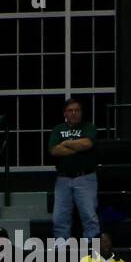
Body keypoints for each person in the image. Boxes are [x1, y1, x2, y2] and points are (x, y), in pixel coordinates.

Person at [49, 97, 100, 242]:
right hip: (63, 179)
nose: (74, 113)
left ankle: (91, 247)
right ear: (65, 113)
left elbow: (87, 144)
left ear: (81, 112)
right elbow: (54, 151)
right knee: (59, 217)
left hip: (86, 178)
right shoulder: (58, 129)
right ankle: (61, 247)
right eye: (70, 110)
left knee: (89, 215)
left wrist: (66, 143)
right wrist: (77, 148)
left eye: (77, 110)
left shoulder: (89, 127)